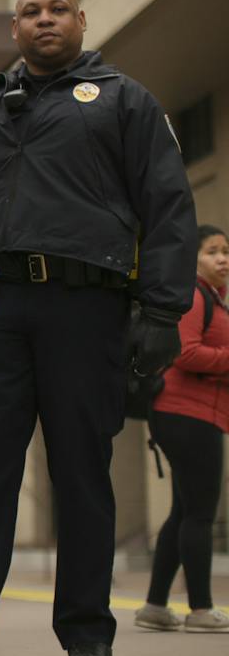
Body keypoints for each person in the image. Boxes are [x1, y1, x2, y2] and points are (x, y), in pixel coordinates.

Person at [0, 0, 198, 656]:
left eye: (57, 9)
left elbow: (168, 207)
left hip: (87, 309)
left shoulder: (126, 101)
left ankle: (88, 636)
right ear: (14, 28)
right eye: (31, 11)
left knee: (82, 476)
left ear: (81, 19)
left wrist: (162, 311)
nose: (44, 20)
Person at [135, 225, 229, 634]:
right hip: (188, 414)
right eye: (213, 251)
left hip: (193, 413)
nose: (223, 259)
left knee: (184, 510)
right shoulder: (193, 296)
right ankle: (201, 609)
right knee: (200, 514)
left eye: (226, 251)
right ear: (194, 258)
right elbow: (186, 353)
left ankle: (156, 606)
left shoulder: (214, 300)